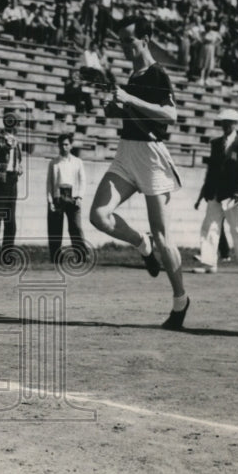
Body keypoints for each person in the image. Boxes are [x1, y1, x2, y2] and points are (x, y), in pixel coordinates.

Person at [89, 17, 191, 329]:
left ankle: (180, 301)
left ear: (145, 39)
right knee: (98, 216)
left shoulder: (158, 73)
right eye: (120, 41)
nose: (123, 46)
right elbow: (137, 112)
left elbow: (170, 115)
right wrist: (117, 110)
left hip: (150, 156)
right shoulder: (133, 74)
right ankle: (140, 243)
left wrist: (130, 99)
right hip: (126, 152)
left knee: (163, 235)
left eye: (128, 40)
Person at [191, 109, 238, 274]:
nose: (226, 125)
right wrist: (204, 193)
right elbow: (211, 171)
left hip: (234, 197)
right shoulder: (215, 144)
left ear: (235, 124)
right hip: (215, 194)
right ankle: (209, 262)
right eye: (223, 122)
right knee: (210, 227)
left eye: (229, 122)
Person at [0, 111, 24, 266]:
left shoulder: (16, 140)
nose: (19, 126)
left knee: (10, 220)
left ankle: (7, 255)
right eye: (17, 123)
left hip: (12, 180)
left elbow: (18, 158)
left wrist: (18, 166)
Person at [46, 133, 88, 265]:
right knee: (55, 229)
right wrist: (50, 201)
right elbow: (49, 183)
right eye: (61, 144)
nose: (64, 147)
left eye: (66, 144)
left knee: (75, 227)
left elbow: (83, 181)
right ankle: (55, 257)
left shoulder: (78, 162)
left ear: (71, 145)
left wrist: (80, 197)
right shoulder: (53, 163)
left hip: (73, 198)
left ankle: (81, 256)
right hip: (58, 198)